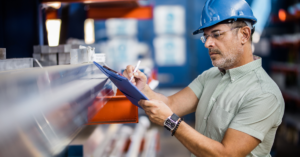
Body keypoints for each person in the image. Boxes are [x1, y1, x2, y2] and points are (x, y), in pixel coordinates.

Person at [123, 0, 284, 156]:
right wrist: (143, 89)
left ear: (244, 34)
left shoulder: (263, 94)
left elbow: (226, 154)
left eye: (216, 34)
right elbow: (171, 105)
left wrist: (171, 122)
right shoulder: (210, 76)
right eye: (206, 36)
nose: (207, 43)